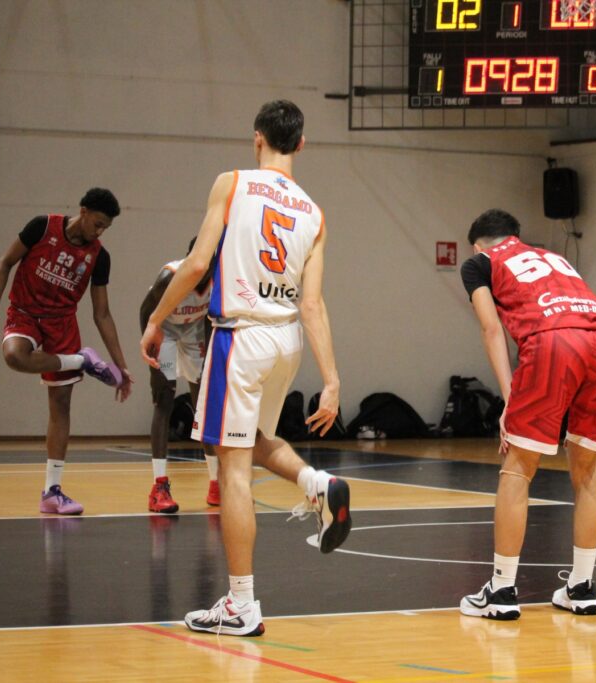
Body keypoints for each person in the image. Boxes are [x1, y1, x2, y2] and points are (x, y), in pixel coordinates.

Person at [140, 99, 351, 637]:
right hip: (287, 339)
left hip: (241, 336)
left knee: (232, 468)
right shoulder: (315, 212)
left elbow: (197, 263)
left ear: (257, 137)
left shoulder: (232, 183)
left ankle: (240, 603)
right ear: (300, 144)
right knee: (252, 440)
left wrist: (158, 320)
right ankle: (315, 481)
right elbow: (313, 304)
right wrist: (331, 380)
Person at [458, 209, 596, 620]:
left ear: (478, 246)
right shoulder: (553, 257)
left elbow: (491, 329)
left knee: (518, 467)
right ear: (516, 236)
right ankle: (582, 587)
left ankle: (501, 590)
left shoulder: (480, 263)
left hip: (554, 342)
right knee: (588, 469)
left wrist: (509, 396)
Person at [0, 188, 133, 516]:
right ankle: (82, 360)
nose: (100, 231)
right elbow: (5, 263)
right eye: (97, 223)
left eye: (106, 227)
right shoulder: (42, 227)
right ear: (83, 211)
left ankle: (52, 492)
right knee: (14, 356)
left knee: (61, 404)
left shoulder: (99, 257)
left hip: (61, 323)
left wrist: (121, 366)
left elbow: (102, 313)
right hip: (24, 313)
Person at [139, 238, 219, 513]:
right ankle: (159, 486)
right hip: (165, 331)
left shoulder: (219, 278)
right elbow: (145, 310)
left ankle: (216, 483)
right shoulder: (170, 277)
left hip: (194, 331)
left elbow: (211, 317)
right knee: (164, 399)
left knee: (203, 406)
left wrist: (209, 354)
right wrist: (150, 346)